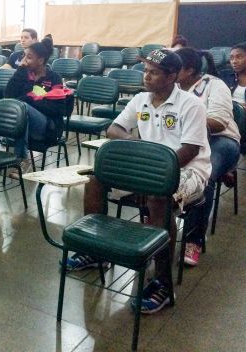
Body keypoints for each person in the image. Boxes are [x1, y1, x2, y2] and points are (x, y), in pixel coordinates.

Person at [65, 49, 211, 315]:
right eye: (145, 71)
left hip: (189, 171)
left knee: (159, 197)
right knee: (96, 180)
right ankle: (96, 253)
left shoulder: (191, 105)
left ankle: (163, 284)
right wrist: (134, 144)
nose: (147, 76)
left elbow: (190, 150)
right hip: (147, 166)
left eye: (154, 72)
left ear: (172, 76)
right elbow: (114, 128)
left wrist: (154, 173)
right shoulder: (141, 100)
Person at [175, 47, 240, 266]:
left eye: (175, 68)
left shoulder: (214, 85)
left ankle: (194, 239)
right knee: (161, 167)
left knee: (205, 175)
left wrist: (186, 122)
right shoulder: (172, 88)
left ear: (189, 70)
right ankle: (160, 221)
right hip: (188, 140)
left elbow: (219, 122)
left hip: (221, 140)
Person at [3, 38, 64, 175]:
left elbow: (59, 109)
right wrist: (19, 71)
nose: (24, 60)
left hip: (48, 126)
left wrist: (31, 99)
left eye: (29, 57)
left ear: (40, 60)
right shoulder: (24, 74)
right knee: (0, 108)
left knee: (22, 108)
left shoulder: (54, 78)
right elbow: (8, 96)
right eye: (24, 56)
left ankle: (22, 160)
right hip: (23, 120)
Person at [221, 42, 246, 107]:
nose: (234, 61)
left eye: (239, 57)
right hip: (226, 110)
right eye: (231, 58)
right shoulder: (225, 75)